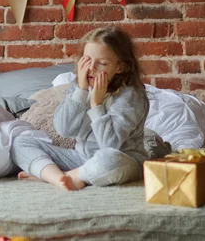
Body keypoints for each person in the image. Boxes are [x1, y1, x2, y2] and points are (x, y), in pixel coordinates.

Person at [10, 27, 149, 191]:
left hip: (122, 159)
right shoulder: (78, 87)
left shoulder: (130, 95)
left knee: (112, 162)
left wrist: (96, 105)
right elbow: (65, 130)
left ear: (120, 67)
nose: (91, 68)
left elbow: (110, 144)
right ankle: (59, 177)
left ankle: (69, 176)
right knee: (19, 142)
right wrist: (81, 92)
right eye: (87, 60)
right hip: (81, 158)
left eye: (102, 63)